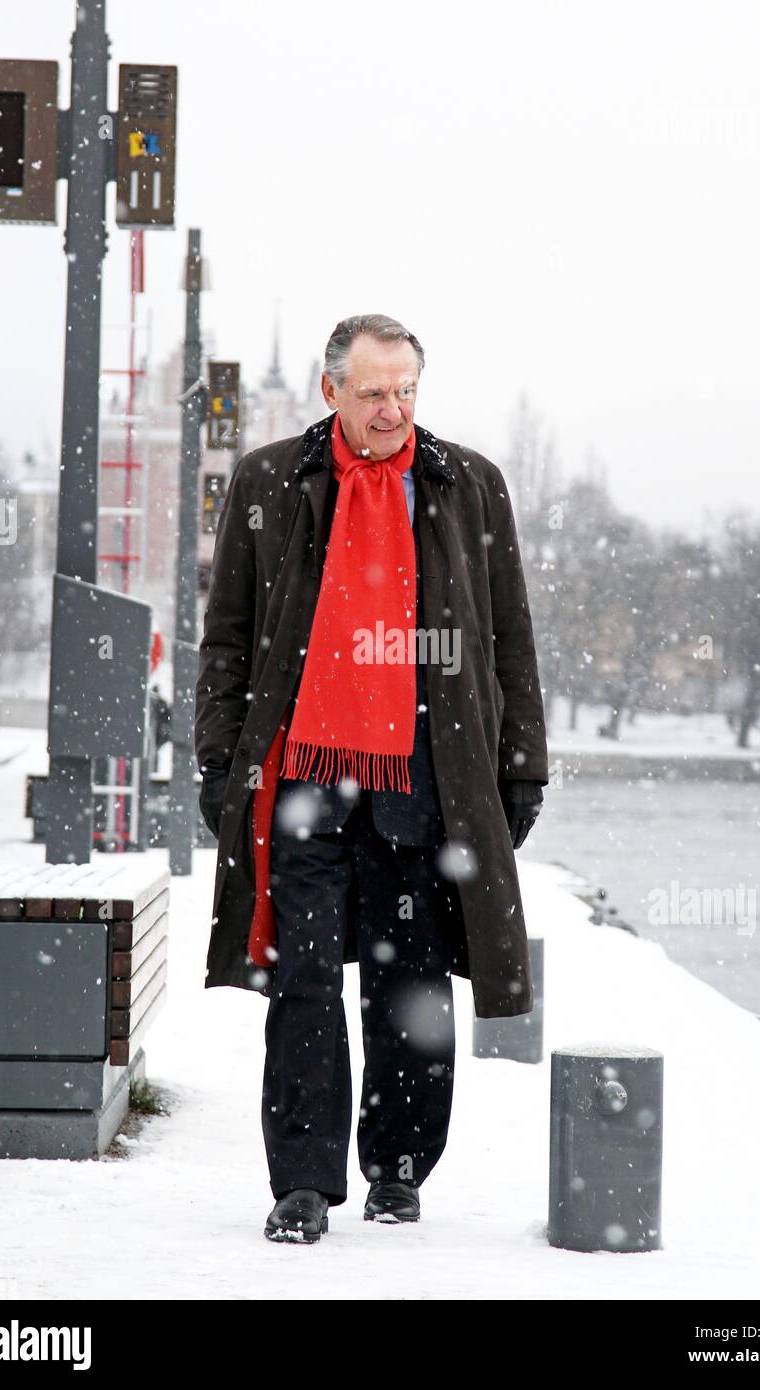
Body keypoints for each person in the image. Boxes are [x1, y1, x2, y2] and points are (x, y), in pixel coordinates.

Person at [194, 314, 548, 1242]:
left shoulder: (467, 484)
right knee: (303, 980)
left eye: (406, 392)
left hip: (423, 773)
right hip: (302, 776)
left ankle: (396, 1169)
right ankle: (302, 1185)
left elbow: (508, 635)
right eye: (373, 393)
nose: (392, 410)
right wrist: (216, 759)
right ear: (331, 393)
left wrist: (523, 769)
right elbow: (227, 634)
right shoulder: (271, 480)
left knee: (409, 982)